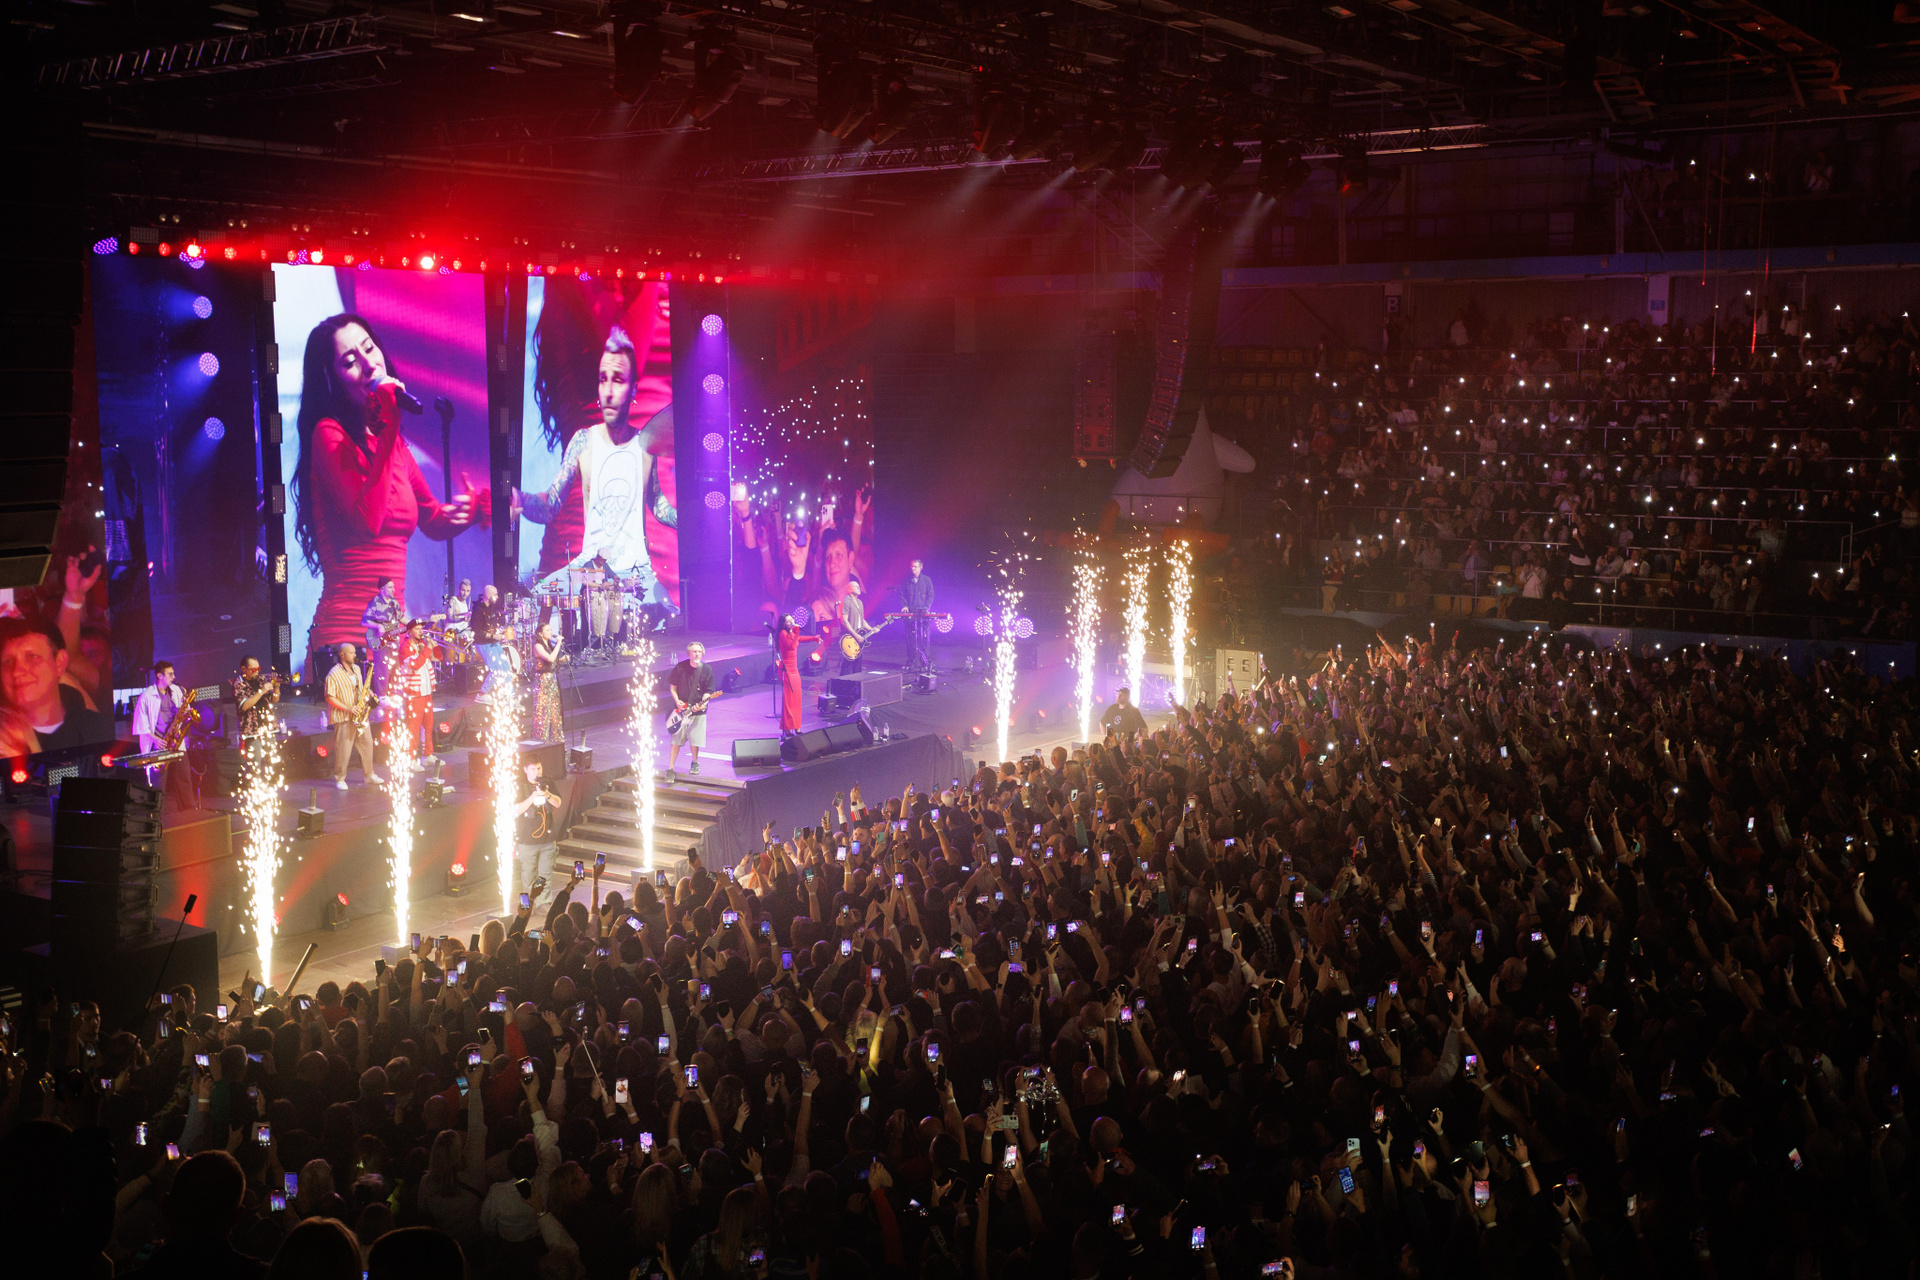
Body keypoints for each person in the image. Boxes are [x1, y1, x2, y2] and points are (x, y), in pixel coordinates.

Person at [291, 315, 485, 682]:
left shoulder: (392, 444)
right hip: (345, 645)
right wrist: (389, 424)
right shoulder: (328, 435)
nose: (368, 364)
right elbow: (369, 520)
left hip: (392, 641)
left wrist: (473, 509)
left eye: (369, 348)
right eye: (350, 361)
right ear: (332, 379)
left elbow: (433, 519)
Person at [517, 326, 675, 618]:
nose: (609, 392)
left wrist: (690, 519)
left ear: (634, 389)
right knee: (534, 605)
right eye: (603, 380)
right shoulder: (583, 441)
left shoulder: (645, 445)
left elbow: (659, 507)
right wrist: (520, 500)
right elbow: (550, 505)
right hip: (591, 569)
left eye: (618, 380)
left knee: (670, 616)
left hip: (635, 573)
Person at [323, 642, 381, 790]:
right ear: (342, 655)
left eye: (355, 652)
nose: (355, 655)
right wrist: (348, 708)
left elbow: (360, 688)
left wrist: (368, 693)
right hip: (343, 717)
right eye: (351, 653)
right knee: (343, 749)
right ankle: (340, 778)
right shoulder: (333, 674)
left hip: (360, 715)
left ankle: (369, 774)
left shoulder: (356, 669)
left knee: (367, 744)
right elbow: (329, 697)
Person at [667, 640, 719, 778]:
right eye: (694, 651)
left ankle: (695, 762)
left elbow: (708, 691)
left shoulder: (706, 669)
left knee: (695, 739)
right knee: (675, 740)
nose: (697, 654)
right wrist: (677, 701)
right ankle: (670, 768)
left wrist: (703, 704)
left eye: (699, 652)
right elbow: (673, 687)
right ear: (688, 653)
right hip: (681, 711)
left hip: (698, 710)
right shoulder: (680, 667)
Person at [513, 760, 561, 907]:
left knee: (545, 875)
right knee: (528, 875)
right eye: (533, 769)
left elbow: (558, 803)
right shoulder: (519, 785)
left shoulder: (548, 782)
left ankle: (544, 903)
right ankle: (529, 906)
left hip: (547, 839)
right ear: (525, 769)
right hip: (527, 840)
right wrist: (532, 797)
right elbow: (515, 810)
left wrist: (547, 794)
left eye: (539, 768)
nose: (536, 772)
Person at [390, 619, 439, 764]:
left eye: (421, 628)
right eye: (417, 629)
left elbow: (439, 658)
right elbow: (416, 664)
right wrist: (428, 649)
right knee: (413, 728)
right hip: (414, 693)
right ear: (409, 632)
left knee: (428, 725)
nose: (421, 631)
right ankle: (410, 759)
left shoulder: (422, 644)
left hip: (427, 691)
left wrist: (434, 646)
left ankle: (427, 755)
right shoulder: (405, 647)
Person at [771, 615, 819, 737]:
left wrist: (814, 638)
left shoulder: (791, 633)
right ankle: (787, 728)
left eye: (791, 619)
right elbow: (792, 645)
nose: (791, 622)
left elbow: (799, 639)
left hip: (794, 669)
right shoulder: (783, 633)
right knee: (789, 700)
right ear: (784, 624)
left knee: (797, 699)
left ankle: (797, 727)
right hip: (786, 670)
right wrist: (796, 631)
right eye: (788, 621)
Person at [360, 578, 404, 695]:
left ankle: (393, 694)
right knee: (383, 670)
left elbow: (401, 617)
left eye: (393, 587)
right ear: (382, 589)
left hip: (394, 641)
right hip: (381, 641)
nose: (393, 590)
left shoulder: (393, 601)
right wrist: (378, 626)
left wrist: (413, 624)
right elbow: (364, 621)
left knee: (395, 668)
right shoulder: (375, 602)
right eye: (390, 587)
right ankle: (382, 696)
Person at [530, 619, 564, 743]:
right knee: (543, 712)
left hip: (552, 681)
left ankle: (557, 741)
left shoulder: (548, 645)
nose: (550, 632)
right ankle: (541, 740)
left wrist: (562, 660)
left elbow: (552, 661)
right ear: (540, 633)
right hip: (543, 682)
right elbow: (550, 658)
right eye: (547, 630)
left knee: (554, 711)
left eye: (550, 629)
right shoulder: (537, 646)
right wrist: (559, 643)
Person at [232, 656, 280, 743]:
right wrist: (262, 691)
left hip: (268, 727)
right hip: (251, 731)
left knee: (272, 752)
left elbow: (274, 700)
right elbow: (244, 706)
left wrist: (276, 687)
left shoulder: (261, 679)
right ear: (244, 669)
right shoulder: (238, 684)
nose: (257, 671)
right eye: (254, 669)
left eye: (258, 668)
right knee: (255, 752)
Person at [901, 557, 935, 672]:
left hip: (923, 614)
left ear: (921, 567)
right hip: (910, 614)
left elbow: (931, 595)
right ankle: (911, 661)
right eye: (911, 566)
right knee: (910, 639)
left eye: (915, 566)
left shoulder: (926, 580)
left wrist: (926, 607)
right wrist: (904, 605)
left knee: (924, 639)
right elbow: (902, 594)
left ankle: (924, 662)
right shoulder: (906, 580)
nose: (913, 568)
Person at [836, 578, 872, 676]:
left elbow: (862, 620)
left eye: (859, 586)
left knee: (858, 663)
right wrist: (855, 635)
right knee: (848, 663)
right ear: (849, 589)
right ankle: (843, 683)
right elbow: (844, 621)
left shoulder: (860, 602)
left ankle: (856, 682)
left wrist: (871, 629)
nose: (858, 588)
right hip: (850, 637)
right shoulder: (847, 600)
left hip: (859, 636)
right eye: (856, 586)